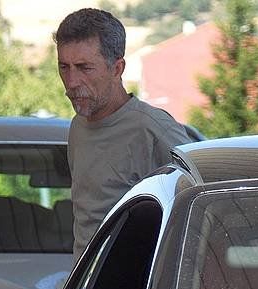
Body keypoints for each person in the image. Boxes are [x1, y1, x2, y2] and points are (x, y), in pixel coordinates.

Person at [54, 8, 194, 258]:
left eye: (84, 67)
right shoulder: (78, 126)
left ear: (117, 68)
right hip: (87, 284)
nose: (72, 81)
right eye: (64, 67)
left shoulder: (153, 129)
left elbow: (197, 210)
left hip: (136, 287)